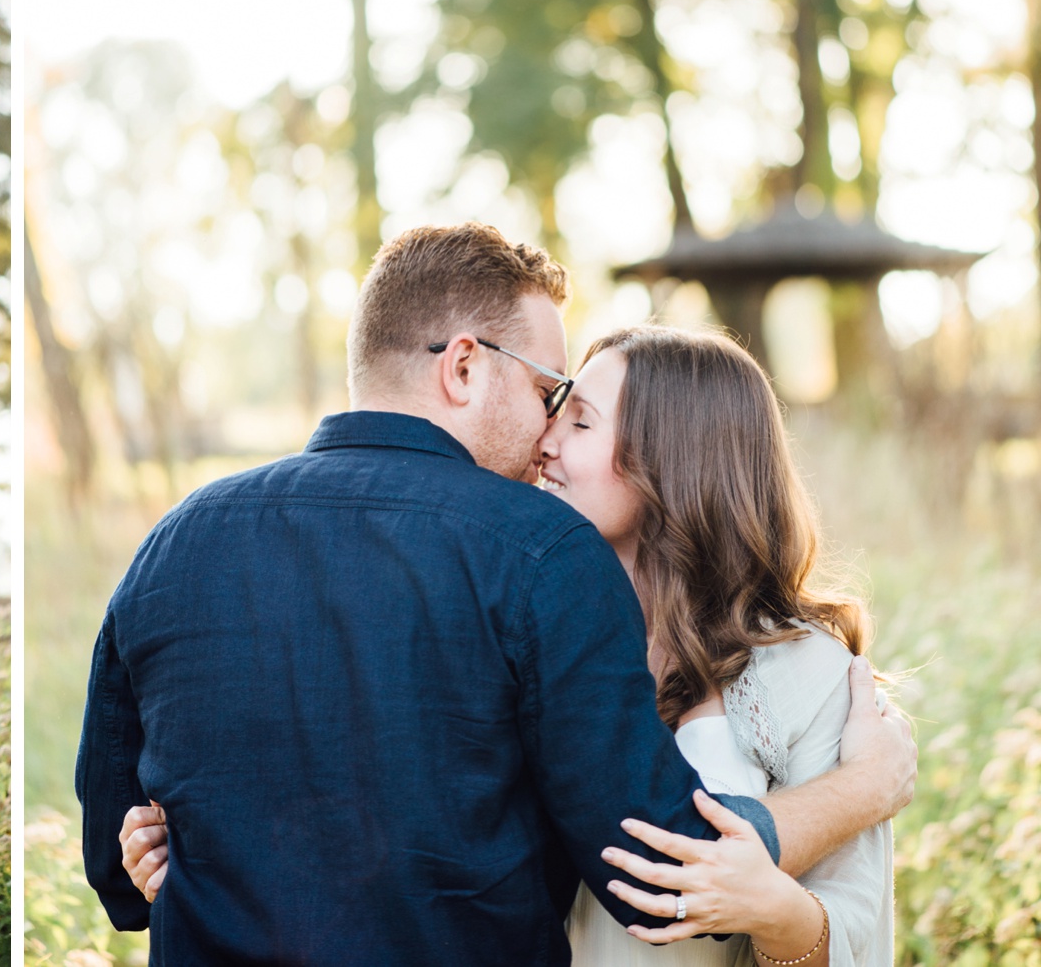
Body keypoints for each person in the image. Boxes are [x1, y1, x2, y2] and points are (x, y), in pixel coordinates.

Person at [74, 223, 914, 963]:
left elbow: (118, 869)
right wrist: (858, 793)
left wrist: (184, 850)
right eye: (551, 388)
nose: (550, 426)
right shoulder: (542, 553)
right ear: (466, 367)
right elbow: (657, 872)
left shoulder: (173, 541)